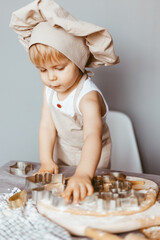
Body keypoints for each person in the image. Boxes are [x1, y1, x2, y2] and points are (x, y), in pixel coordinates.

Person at [10, 0, 119, 203]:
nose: (51, 77)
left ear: (77, 61)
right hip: (63, 153)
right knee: (62, 194)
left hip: (92, 158)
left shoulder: (88, 98)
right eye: (43, 70)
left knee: (87, 195)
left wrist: (84, 174)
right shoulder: (49, 90)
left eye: (59, 68)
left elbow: (92, 137)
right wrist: (46, 160)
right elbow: (47, 126)